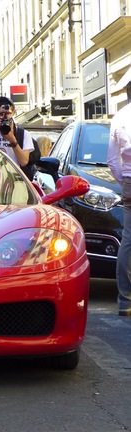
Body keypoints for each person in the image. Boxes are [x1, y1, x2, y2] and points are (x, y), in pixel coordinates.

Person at [107, 102, 131, 316]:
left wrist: (124, 182)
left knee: (128, 239)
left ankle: (125, 301)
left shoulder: (119, 117)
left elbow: (112, 160)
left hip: (130, 181)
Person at [0, 96, 35, 176]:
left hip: (16, 178)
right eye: (0, 114)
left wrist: (12, 139)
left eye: (7, 113)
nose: (4, 117)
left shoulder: (23, 134)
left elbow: (24, 161)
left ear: (14, 112)